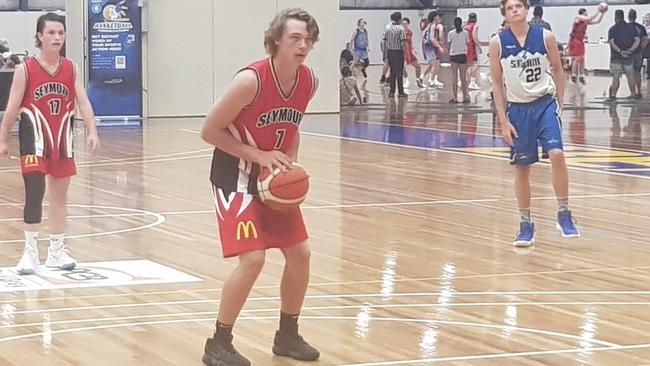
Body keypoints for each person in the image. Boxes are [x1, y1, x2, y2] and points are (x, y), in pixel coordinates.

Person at [199, 8, 320, 366]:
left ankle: (287, 334)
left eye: (308, 39)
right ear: (276, 41)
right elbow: (210, 132)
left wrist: (288, 162)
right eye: (295, 38)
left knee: (301, 254)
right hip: (233, 179)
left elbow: (291, 126)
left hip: (271, 180)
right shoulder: (250, 81)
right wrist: (258, 154)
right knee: (253, 260)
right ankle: (218, 343)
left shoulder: (309, 81)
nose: (303, 45)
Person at [0, 12, 100, 275]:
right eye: (52, 33)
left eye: (61, 33)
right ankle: (30, 252)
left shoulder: (71, 68)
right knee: (34, 193)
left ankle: (56, 251)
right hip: (33, 139)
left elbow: (84, 102)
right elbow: (11, 107)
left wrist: (92, 130)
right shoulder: (26, 69)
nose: (57, 37)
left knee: (60, 195)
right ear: (40, 37)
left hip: (62, 139)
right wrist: (2, 137)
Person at [489, 0, 578, 247]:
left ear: (527, 9)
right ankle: (525, 223)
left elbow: (559, 70)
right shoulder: (498, 42)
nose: (515, 10)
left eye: (519, 5)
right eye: (510, 8)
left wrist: (560, 102)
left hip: (544, 103)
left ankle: (564, 212)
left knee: (557, 154)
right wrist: (503, 121)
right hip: (517, 109)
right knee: (522, 168)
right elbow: (496, 83)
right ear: (505, 14)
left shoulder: (545, 36)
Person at [568, 7, 606, 84]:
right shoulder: (578, 18)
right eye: (586, 12)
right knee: (576, 58)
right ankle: (574, 74)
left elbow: (597, 21)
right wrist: (598, 11)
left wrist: (602, 13)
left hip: (580, 41)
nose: (587, 13)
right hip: (575, 40)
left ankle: (581, 75)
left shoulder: (585, 21)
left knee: (582, 58)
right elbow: (589, 18)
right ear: (583, 13)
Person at [608, 9, 640, 100]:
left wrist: (620, 51)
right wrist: (630, 50)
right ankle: (633, 94)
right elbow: (637, 40)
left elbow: (612, 42)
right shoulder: (631, 28)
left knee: (616, 77)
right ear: (623, 16)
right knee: (630, 76)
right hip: (629, 57)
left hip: (616, 57)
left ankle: (613, 95)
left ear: (615, 17)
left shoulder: (612, 29)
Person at [384, 11, 407, 98]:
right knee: (399, 72)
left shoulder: (388, 28)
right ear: (399, 19)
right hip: (398, 52)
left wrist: (385, 54)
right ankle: (401, 92)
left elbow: (385, 42)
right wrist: (405, 53)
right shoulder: (401, 29)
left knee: (392, 72)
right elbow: (403, 42)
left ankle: (391, 92)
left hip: (390, 51)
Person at [447, 17, 470, 103]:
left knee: (454, 77)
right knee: (463, 77)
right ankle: (465, 97)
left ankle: (455, 98)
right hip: (463, 55)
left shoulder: (450, 33)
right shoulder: (465, 33)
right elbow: (467, 43)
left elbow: (449, 44)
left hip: (454, 55)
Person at [421, 11, 445, 88]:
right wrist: (439, 46)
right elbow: (432, 38)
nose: (439, 17)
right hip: (431, 46)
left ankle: (422, 77)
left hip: (427, 45)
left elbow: (424, 35)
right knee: (435, 64)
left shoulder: (428, 25)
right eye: (438, 16)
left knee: (433, 64)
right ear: (435, 17)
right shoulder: (434, 25)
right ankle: (431, 81)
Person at [628, 9, 647, 99]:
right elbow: (645, 39)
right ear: (635, 17)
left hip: (629, 52)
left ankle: (633, 93)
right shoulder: (641, 27)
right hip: (639, 52)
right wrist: (641, 47)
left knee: (630, 73)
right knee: (637, 72)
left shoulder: (626, 27)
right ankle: (639, 91)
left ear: (628, 16)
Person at [401, 17, 423, 88]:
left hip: (409, 51)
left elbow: (407, 39)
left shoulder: (409, 32)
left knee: (418, 66)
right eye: (403, 24)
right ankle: (406, 80)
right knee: (402, 67)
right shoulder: (399, 32)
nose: (404, 25)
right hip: (402, 52)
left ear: (408, 24)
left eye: (406, 24)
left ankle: (418, 80)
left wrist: (413, 49)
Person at [464, 13, 482, 90]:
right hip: (471, 47)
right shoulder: (474, 26)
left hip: (464, 46)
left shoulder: (464, 26)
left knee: (466, 64)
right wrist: (479, 46)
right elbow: (474, 37)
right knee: (474, 64)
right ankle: (472, 82)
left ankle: (461, 80)